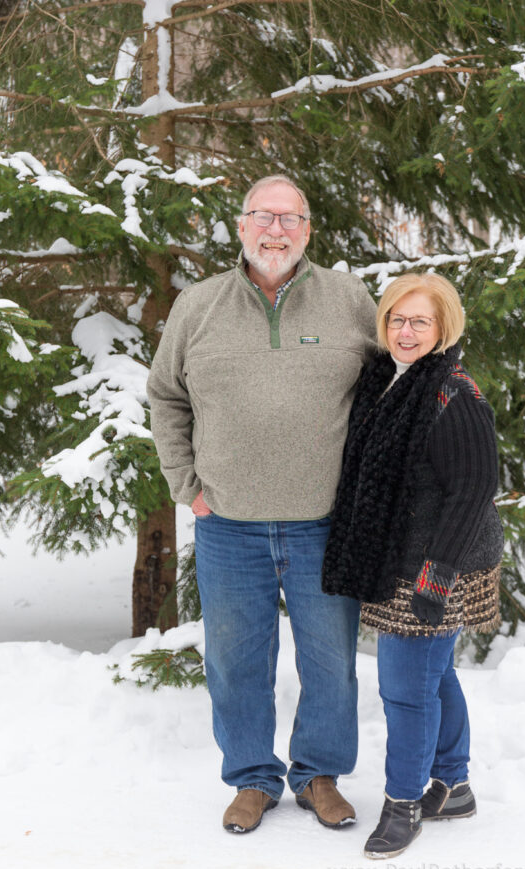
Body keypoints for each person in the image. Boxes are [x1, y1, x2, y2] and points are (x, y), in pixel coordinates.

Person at [147, 175, 377, 834]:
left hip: (324, 524)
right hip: (229, 525)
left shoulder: (348, 299)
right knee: (236, 659)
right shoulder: (199, 304)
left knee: (330, 661)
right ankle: (251, 777)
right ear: (241, 227)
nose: (276, 230)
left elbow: (391, 377)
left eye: (291, 218)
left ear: (308, 230)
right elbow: (166, 395)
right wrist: (185, 486)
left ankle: (318, 775)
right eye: (264, 217)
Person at [322, 273, 504, 858]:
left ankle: (403, 803)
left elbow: (473, 490)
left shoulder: (454, 392)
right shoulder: (388, 380)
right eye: (398, 319)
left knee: (406, 688)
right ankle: (452, 784)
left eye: (420, 321)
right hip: (397, 557)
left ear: (443, 326)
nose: (406, 331)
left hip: (437, 566)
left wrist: (436, 577)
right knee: (433, 675)